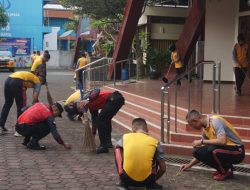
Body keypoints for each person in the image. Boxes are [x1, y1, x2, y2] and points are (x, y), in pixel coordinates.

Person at [180, 110, 245, 181]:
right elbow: (203, 152)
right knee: (197, 151)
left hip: (238, 151)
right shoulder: (205, 129)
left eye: (191, 124)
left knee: (213, 149)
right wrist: (189, 165)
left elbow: (222, 141)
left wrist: (202, 141)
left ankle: (226, 171)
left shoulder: (215, 121)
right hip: (225, 150)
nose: (192, 127)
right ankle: (223, 169)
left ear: (196, 120)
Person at [64, 89, 125, 154]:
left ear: (78, 103)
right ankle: (108, 143)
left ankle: (103, 146)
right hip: (114, 101)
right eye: (80, 110)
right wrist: (93, 133)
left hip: (114, 98)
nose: (81, 109)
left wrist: (88, 100)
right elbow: (94, 121)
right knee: (105, 120)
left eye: (79, 107)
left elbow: (96, 90)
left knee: (101, 120)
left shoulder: (85, 97)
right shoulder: (91, 108)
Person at [115, 118, 166, 189]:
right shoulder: (155, 141)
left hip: (126, 178)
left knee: (118, 149)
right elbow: (163, 169)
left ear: (133, 130)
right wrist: (153, 179)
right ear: (147, 129)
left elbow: (118, 146)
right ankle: (152, 184)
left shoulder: (125, 137)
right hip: (148, 180)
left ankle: (122, 183)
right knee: (155, 153)